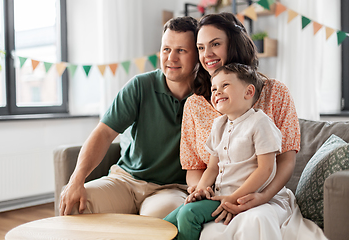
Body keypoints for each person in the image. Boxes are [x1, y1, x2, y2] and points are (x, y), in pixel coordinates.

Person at [180, 12, 327, 240]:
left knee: (254, 222)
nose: (206, 54)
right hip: (217, 195)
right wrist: (202, 190)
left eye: (215, 44)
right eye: (200, 47)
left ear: (234, 44)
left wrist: (264, 196)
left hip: (264, 197)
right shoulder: (195, 104)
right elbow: (196, 168)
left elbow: (286, 160)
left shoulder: (275, 92)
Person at [59, 16, 199, 218]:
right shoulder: (140, 85)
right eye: (166, 49)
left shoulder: (209, 96)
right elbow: (104, 133)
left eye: (181, 50)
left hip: (170, 189)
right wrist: (76, 180)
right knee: (74, 205)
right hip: (125, 181)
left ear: (198, 54)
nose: (171, 58)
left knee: (156, 220)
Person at [164, 63, 283, 240]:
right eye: (213, 89)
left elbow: (265, 169)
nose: (217, 92)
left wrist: (234, 197)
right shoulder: (219, 125)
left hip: (239, 197)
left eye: (225, 85)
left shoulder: (260, 122)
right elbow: (212, 168)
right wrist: (201, 189)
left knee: (188, 215)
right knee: (166, 223)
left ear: (248, 92)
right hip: (218, 195)